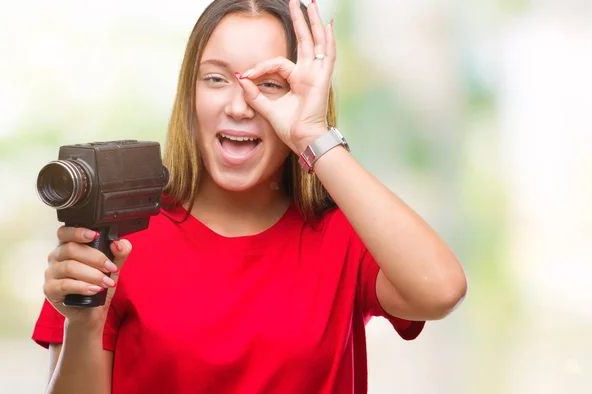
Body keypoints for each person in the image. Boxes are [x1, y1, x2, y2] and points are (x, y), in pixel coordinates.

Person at [32, 0, 468, 393]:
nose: (240, 107)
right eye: (216, 78)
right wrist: (85, 326)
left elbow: (441, 290)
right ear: (191, 95)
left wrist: (312, 136)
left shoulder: (343, 235)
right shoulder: (121, 238)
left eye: (270, 84)